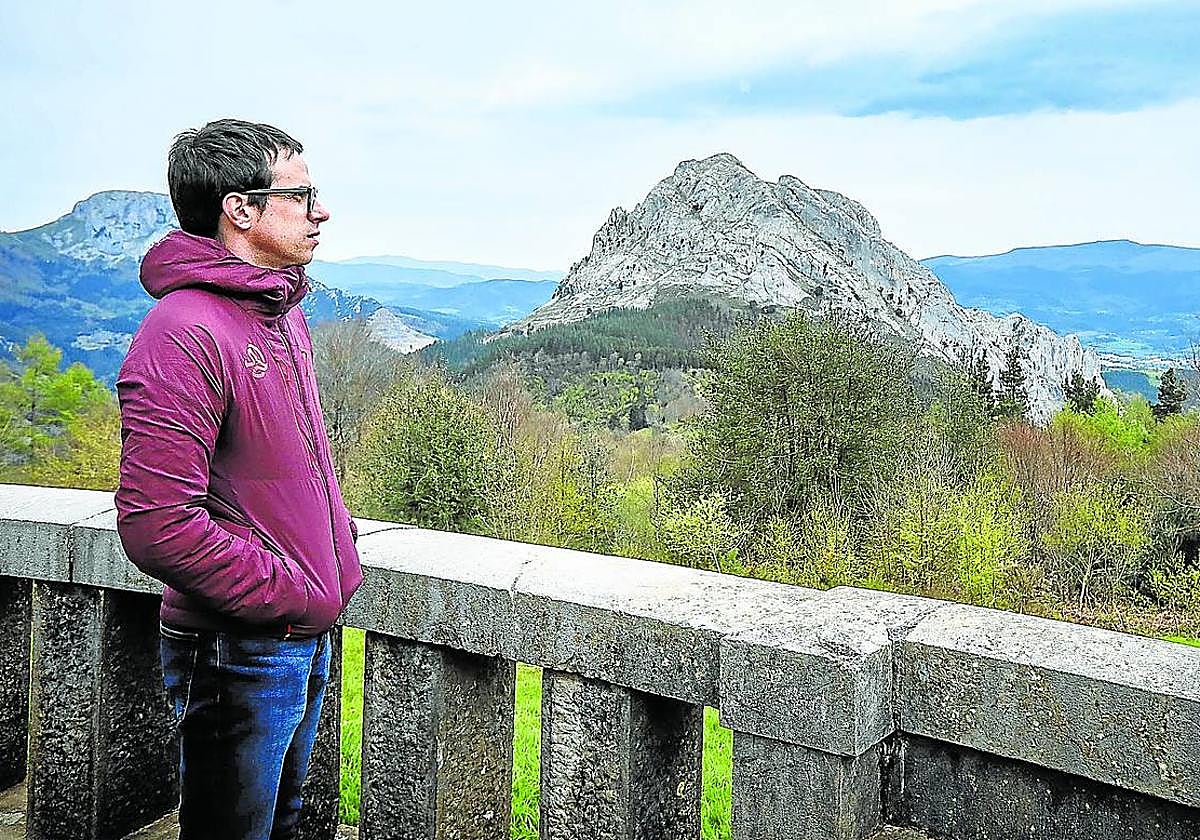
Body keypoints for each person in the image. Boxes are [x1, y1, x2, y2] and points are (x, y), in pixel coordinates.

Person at [116, 118, 364, 840]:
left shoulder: (278, 314)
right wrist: (288, 591)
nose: (322, 211)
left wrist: (331, 557)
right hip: (239, 647)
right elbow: (156, 521)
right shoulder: (184, 331)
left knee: (278, 825)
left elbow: (294, 469)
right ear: (241, 209)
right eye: (303, 193)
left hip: (295, 636)